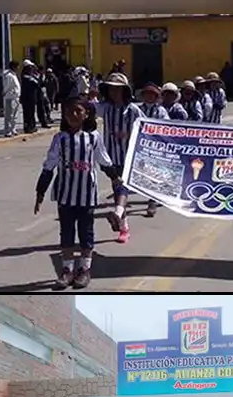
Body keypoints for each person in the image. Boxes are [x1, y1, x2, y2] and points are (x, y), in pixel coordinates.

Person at [35, 96, 125, 290]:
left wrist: (116, 179)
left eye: (78, 111)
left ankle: (84, 269)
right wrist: (40, 191)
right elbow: (49, 166)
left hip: (86, 196)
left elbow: (104, 161)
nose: (73, 115)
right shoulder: (60, 139)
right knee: (66, 233)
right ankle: (67, 271)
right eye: (68, 112)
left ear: (86, 114)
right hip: (66, 196)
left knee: (86, 233)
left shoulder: (93, 138)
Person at [95, 72, 143, 244]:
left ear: (124, 91)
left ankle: (118, 215)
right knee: (117, 189)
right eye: (111, 89)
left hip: (128, 155)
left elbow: (145, 131)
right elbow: (88, 111)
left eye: (118, 89)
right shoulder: (105, 108)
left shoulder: (133, 110)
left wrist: (128, 134)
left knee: (122, 184)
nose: (114, 93)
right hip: (110, 156)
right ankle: (122, 223)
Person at [137, 83, 170, 218]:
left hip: (156, 146)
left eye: (152, 94)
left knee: (154, 174)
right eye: (147, 94)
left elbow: (166, 126)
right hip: (141, 146)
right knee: (144, 174)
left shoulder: (160, 111)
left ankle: (152, 202)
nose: (149, 97)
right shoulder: (137, 109)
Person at [20, 61, 41, 134]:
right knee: (28, 114)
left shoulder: (31, 76)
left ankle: (32, 126)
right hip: (27, 98)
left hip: (31, 98)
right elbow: (36, 84)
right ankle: (28, 127)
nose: (31, 69)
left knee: (31, 113)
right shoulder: (26, 76)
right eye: (30, 68)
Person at [1, 61, 21, 138]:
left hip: (16, 97)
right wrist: (5, 92)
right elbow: (7, 86)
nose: (18, 68)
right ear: (14, 67)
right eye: (17, 67)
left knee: (15, 115)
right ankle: (7, 131)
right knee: (9, 115)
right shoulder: (9, 75)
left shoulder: (14, 75)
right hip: (10, 97)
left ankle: (13, 129)